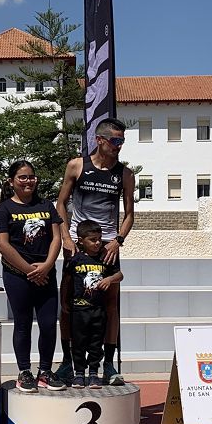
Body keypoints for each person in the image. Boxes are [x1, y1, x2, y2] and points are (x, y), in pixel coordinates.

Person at [56, 117, 135, 385]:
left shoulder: (125, 174)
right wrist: (66, 237)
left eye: (122, 141)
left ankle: (109, 365)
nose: (119, 146)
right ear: (100, 140)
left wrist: (118, 241)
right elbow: (61, 204)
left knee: (110, 307)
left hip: (108, 246)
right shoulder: (77, 166)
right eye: (115, 141)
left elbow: (130, 215)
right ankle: (68, 362)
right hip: (77, 245)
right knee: (67, 305)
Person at [0, 161, 66, 393]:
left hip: (46, 274)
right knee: (22, 324)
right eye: (22, 177)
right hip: (18, 276)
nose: (28, 181)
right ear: (12, 181)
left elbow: (56, 238)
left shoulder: (46, 205)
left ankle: (45, 371)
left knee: (48, 324)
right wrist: (29, 270)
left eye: (31, 177)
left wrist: (46, 266)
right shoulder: (3, 209)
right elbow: (2, 244)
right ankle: (24, 372)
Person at [63, 220, 123, 389]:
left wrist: (109, 279)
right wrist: (64, 302)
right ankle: (79, 374)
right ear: (81, 241)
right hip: (79, 309)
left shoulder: (105, 258)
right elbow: (67, 282)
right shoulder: (75, 259)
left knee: (96, 344)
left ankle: (94, 374)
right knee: (79, 343)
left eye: (99, 239)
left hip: (98, 310)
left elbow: (120, 275)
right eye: (93, 240)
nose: (97, 243)